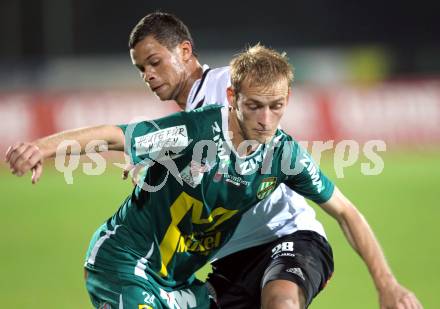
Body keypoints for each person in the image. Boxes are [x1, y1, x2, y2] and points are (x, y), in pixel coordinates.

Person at [5, 44, 422, 309]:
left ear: (288, 100)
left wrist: (387, 285)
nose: (266, 120)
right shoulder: (194, 130)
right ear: (232, 98)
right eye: (255, 106)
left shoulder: (283, 153)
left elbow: (346, 212)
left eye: (276, 107)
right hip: (124, 267)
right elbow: (117, 135)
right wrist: (41, 147)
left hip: (182, 282)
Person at [126, 12, 423, 309]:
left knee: (282, 303)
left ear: (185, 51)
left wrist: (387, 285)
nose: (148, 75)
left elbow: (262, 76)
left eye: (155, 62)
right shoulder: (187, 121)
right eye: (141, 68)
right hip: (231, 262)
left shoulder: (221, 85)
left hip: (288, 236)